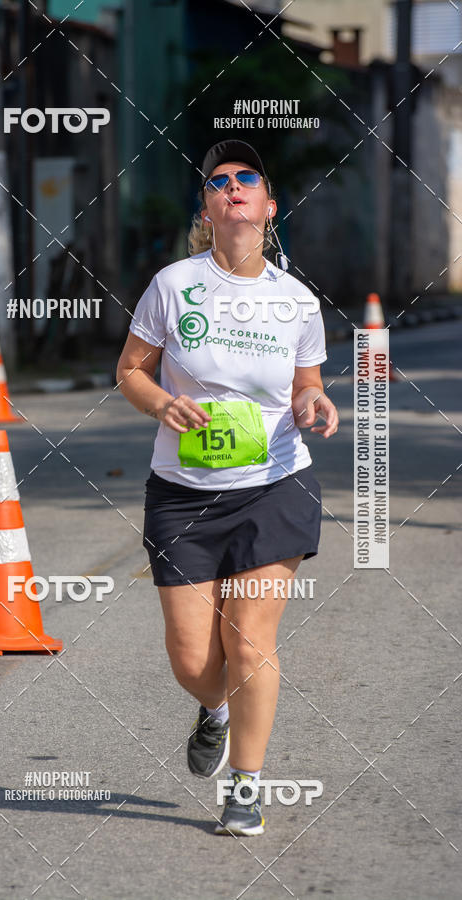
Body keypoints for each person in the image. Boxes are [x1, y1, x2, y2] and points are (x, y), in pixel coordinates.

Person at [116, 139, 339, 836]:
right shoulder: (172, 285)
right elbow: (131, 370)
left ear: (269, 208)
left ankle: (246, 785)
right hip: (182, 496)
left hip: (274, 486)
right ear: (209, 209)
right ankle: (212, 710)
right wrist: (161, 405)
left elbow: (308, 383)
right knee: (194, 662)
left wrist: (314, 404)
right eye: (220, 180)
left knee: (249, 643)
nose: (234, 186)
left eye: (248, 179)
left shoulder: (296, 301)